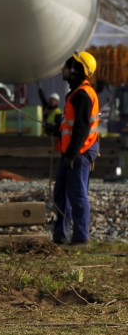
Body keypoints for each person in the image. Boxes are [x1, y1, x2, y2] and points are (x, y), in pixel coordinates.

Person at [52, 51, 100, 246]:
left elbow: (82, 128)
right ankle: (60, 237)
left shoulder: (82, 95)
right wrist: (55, 130)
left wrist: (71, 154)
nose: (63, 69)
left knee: (77, 194)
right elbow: (71, 126)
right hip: (73, 151)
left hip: (78, 152)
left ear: (74, 70)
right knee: (61, 193)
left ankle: (81, 238)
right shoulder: (76, 94)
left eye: (66, 66)